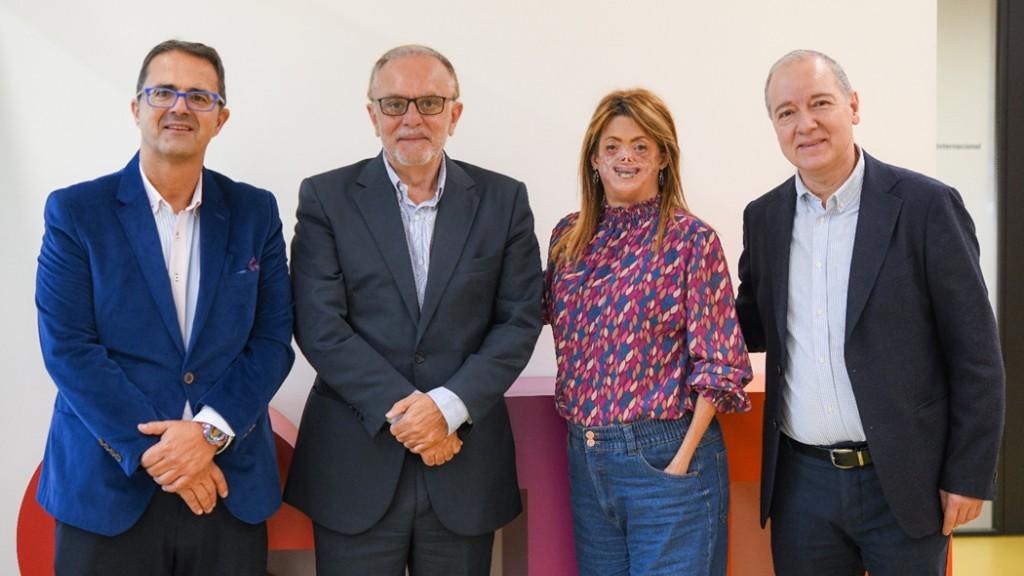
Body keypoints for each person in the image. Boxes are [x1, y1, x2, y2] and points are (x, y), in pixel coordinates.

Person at [736, 49, 1006, 575]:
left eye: (820, 103)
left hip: (905, 480)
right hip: (801, 488)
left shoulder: (926, 206)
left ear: (853, 106)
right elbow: (753, 322)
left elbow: (976, 354)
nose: (805, 123)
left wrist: (969, 474)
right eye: (786, 112)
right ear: (774, 125)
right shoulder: (764, 216)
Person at [35, 40, 295, 574]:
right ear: (136, 108)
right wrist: (161, 452)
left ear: (220, 119)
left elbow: (272, 342)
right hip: (109, 488)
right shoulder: (76, 212)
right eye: (163, 92)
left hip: (226, 485)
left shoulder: (255, 211)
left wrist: (207, 435)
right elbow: (70, 349)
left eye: (200, 97)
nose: (180, 107)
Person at [283, 44, 543, 575]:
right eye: (395, 103)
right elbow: (319, 324)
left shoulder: (504, 200)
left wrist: (447, 409)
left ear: (455, 112)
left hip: (463, 463)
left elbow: (518, 319)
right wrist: (412, 414)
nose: (412, 119)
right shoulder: (326, 197)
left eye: (429, 102)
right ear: (372, 114)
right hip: (355, 466)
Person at [543, 89, 752, 576]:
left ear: (662, 155)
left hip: (666, 459)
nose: (626, 157)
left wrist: (679, 462)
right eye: (612, 145)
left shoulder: (691, 240)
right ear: (593, 157)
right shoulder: (567, 238)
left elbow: (721, 362)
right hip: (586, 456)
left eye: (640, 145)